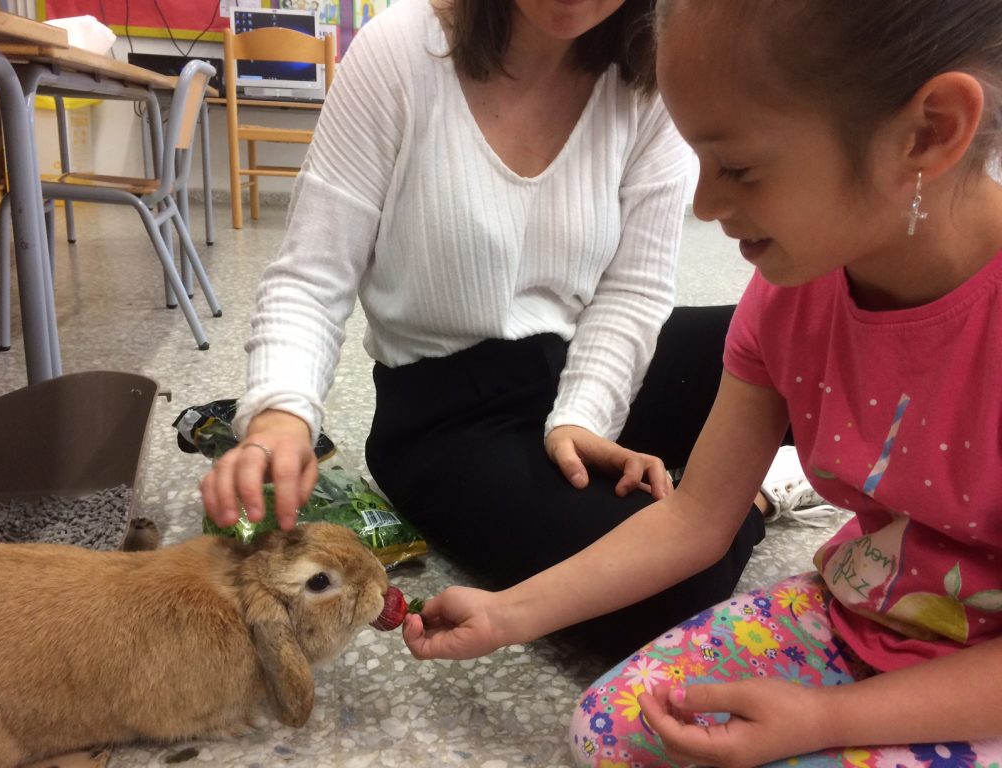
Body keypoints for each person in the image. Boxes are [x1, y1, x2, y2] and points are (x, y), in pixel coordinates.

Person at [401, 0, 1002, 765]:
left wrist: (826, 720)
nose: (705, 205)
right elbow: (695, 518)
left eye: (739, 167)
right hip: (864, 611)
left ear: (929, 131)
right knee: (615, 732)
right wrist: (507, 614)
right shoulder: (791, 293)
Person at [199, 0, 767, 659]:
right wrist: (281, 416)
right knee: (680, 581)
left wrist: (583, 417)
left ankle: (716, 476)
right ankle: (757, 496)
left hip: (588, 358)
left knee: (792, 342)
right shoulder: (398, 51)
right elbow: (311, 273)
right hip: (452, 419)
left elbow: (634, 290)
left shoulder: (647, 78)